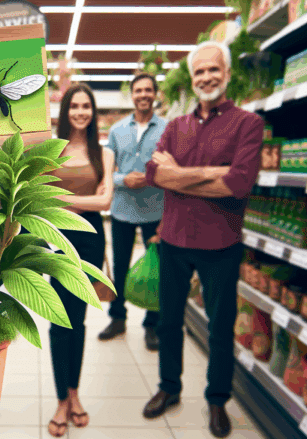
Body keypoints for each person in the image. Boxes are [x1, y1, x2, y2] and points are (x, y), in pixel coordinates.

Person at [141, 41, 264, 438]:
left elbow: (238, 183)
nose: (206, 77)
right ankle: (168, 388)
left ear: (226, 75)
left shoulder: (248, 124)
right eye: (199, 72)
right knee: (169, 321)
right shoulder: (175, 126)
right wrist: (212, 173)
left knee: (220, 326)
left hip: (221, 245)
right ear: (192, 80)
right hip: (174, 240)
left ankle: (217, 400)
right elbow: (153, 175)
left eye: (214, 70)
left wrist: (180, 175)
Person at [46, 83, 114, 438]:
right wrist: (84, 200)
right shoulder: (51, 152)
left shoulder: (104, 154)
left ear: (93, 110)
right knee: (61, 320)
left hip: (90, 242)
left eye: (87, 106)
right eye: (75, 106)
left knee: (81, 319)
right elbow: (43, 198)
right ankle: (61, 399)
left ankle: (74, 393)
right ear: (66, 111)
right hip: (59, 242)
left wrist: (66, 202)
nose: (81, 112)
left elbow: (106, 204)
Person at [98, 73, 166, 350]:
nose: (143, 95)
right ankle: (117, 318)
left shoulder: (168, 129)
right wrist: (122, 179)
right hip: (122, 210)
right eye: (138, 90)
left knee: (156, 270)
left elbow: (173, 170)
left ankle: (152, 324)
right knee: (121, 266)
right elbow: (106, 173)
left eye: (148, 90)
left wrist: (154, 178)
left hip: (156, 211)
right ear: (132, 94)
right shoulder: (116, 130)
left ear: (155, 93)